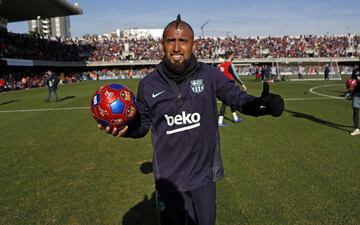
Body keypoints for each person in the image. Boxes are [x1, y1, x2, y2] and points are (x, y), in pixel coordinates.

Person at [99, 15, 284, 225]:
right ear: (163, 45)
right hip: (168, 180)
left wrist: (260, 105)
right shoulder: (148, 84)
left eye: (183, 41)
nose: (177, 47)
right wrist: (127, 128)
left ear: (192, 44)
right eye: (171, 41)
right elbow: (142, 124)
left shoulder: (209, 75)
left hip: (203, 176)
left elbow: (237, 98)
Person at [218, 50, 247, 126]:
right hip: (229, 86)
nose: (233, 56)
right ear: (230, 56)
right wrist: (242, 84)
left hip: (222, 86)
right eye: (232, 55)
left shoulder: (221, 65)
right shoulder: (229, 64)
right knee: (225, 103)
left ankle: (235, 118)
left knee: (231, 101)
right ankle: (220, 121)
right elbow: (235, 75)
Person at [350, 64, 360, 136]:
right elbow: (352, 82)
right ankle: (356, 129)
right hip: (357, 93)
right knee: (355, 111)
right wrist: (350, 88)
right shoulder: (355, 70)